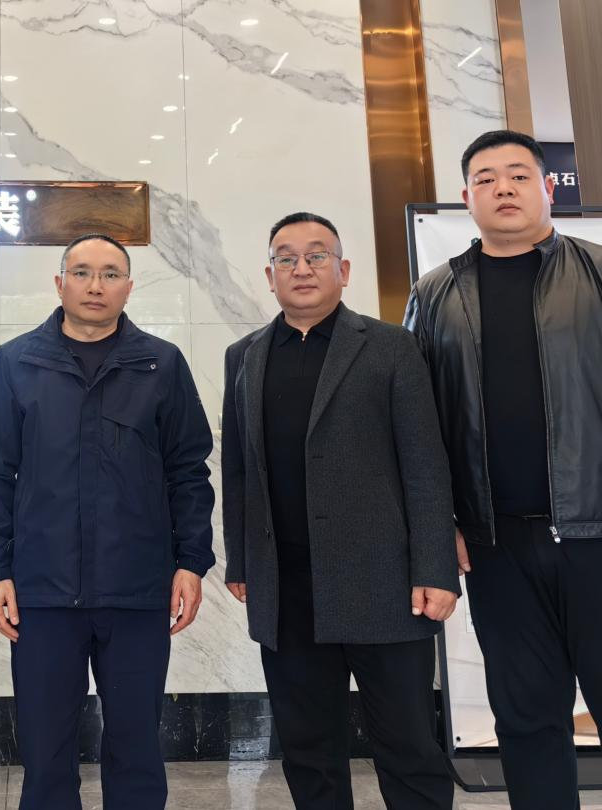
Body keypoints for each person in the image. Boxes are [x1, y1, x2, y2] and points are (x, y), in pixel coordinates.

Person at [0, 233, 215, 810]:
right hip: (42, 592)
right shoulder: (18, 361)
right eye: (81, 272)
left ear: (129, 287)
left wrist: (191, 561)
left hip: (137, 589)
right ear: (60, 283)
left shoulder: (160, 364)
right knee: (46, 751)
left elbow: (188, 472)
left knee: (136, 746)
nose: (95, 285)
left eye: (110, 274)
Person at [222, 212, 459, 809]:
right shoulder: (244, 355)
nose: (301, 268)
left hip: (385, 584)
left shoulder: (391, 347)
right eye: (285, 258)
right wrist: (241, 562)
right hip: (288, 590)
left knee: (407, 743)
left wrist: (435, 568)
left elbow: (425, 464)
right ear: (269, 275)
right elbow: (239, 469)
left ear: (343, 269)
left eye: (316, 255)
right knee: (308, 748)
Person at [405, 129, 602, 809]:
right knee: (526, 718)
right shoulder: (435, 294)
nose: (503, 188)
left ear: (548, 188)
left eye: (518, 175)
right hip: (497, 547)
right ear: (467, 198)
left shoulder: (597, 272)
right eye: (486, 179)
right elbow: (418, 426)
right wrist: (441, 527)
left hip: (596, 535)